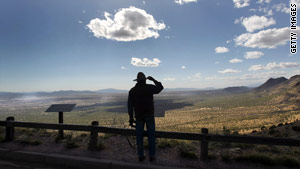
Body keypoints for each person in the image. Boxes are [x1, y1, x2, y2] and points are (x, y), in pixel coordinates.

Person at [127, 72, 164, 162]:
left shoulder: (132, 91)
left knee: (139, 137)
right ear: (145, 80)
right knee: (151, 135)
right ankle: (152, 156)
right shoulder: (149, 88)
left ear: (137, 81)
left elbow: (130, 106)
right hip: (149, 115)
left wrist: (131, 118)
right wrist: (154, 80)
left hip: (139, 117)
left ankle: (140, 155)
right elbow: (160, 88)